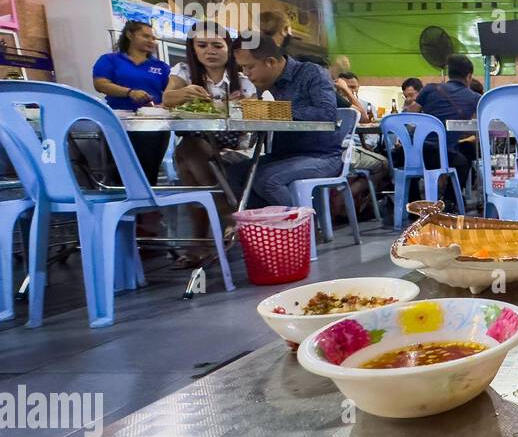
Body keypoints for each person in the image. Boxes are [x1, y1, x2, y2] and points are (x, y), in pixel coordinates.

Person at [161, 21, 258, 264]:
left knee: (187, 156)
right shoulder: (183, 73)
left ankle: (202, 239)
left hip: (236, 148)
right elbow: (167, 98)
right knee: (190, 150)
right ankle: (228, 217)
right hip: (199, 145)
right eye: (202, 45)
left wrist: (240, 107)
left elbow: (258, 116)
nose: (209, 51)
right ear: (193, 49)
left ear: (229, 49)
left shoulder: (243, 81)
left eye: (217, 45)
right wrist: (185, 93)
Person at [228, 34, 344, 208]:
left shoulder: (312, 73)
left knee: (267, 180)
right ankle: (266, 227)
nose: (246, 73)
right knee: (233, 174)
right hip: (283, 156)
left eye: (249, 67)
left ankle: (303, 229)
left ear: (271, 62)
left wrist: (278, 111)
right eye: (243, 67)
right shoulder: (265, 82)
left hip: (321, 156)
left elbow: (327, 114)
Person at [91, 20, 171, 183]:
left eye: (153, 38)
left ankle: (149, 206)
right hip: (118, 123)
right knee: (119, 170)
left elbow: (170, 92)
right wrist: (129, 93)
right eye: (145, 36)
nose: (151, 41)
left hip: (153, 125)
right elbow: (100, 84)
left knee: (149, 170)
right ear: (129, 35)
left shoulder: (161, 67)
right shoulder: (110, 60)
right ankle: (123, 206)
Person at [414, 54, 481, 202]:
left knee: (405, 165)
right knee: (463, 162)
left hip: (416, 152)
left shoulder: (429, 89)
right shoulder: (473, 98)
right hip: (442, 156)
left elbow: (409, 114)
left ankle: (412, 203)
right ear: (469, 76)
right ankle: (449, 202)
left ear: (449, 74)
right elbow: (484, 122)